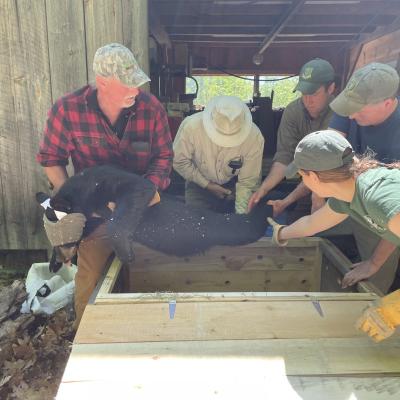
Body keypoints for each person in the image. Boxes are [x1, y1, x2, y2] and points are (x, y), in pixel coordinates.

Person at [37, 43, 173, 328]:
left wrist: (140, 197)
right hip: (95, 208)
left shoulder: (152, 109)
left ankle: (157, 328)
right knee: (89, 274)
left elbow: (163, 157)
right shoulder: (67, 110)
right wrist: (74, 203)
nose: (135, 90)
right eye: (127, 85)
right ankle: (84, 336)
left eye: (137, 83)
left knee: (163, 263)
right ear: (102, 83)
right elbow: (51, 159)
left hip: (143, 200)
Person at [267, 129, 400, 341]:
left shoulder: (377, 195)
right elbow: (312, 223)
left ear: (313, 177)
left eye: (301, 175)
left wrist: (394, 308)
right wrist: (281, 233)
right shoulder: (346, 196)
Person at [248, 58, 336, 214]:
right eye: (304, 93)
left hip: (337, 183)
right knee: (296, 225)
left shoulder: (339, 115)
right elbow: (285, 158)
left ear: (331, 89)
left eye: (314, 93)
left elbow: (324, 167)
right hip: (307, 182)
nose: (307, 100)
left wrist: (288, 201)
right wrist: (263, 189)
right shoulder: (293, 111)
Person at [173, 95, 264, 214]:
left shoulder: (254, 137)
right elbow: (179, 161)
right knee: (195, 223)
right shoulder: (191, 127)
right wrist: (207, 185)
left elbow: (247, 182)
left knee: (238, 221)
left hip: (235, 185)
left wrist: (241, 217)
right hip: (197, 183)